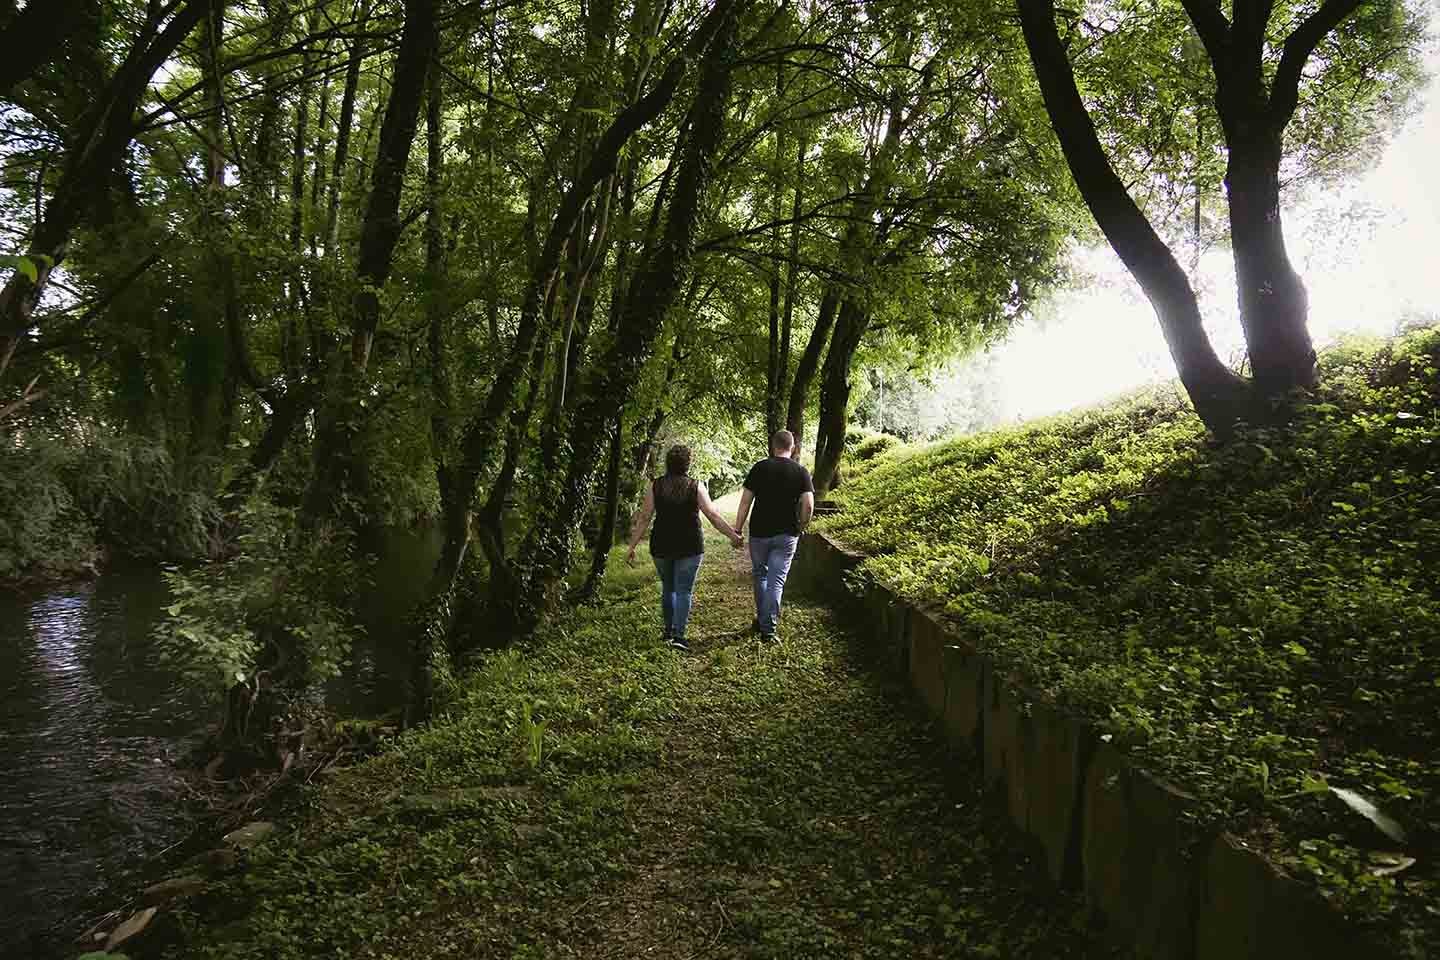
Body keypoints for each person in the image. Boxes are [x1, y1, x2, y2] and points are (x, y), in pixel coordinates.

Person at [627, 444, 743, 651]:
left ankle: (668, 631)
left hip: (661, 544)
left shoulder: (655, 486)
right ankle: (679, 637)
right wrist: (732, 535)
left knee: (668, 588)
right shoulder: (696, 486)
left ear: (668, 463)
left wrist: (632, 546)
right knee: (683, 591)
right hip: (690, 544)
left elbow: (645, 517)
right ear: (688, 464)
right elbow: (713, 516)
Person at [734, 430, 814, 641]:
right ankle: (768, 628)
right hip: (787, 534)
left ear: (773, 446)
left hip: (760, 533)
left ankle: (762, 620)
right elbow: (808, 504)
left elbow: (745, 502)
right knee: (776, 581)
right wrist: (802, 525)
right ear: (793, 447)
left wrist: (737, 529)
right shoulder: (801, 471)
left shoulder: (760, 468)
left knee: (760, 575)